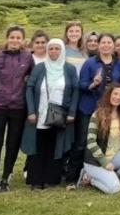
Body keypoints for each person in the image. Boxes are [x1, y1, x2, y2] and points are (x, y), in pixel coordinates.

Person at [68, 33, 120, 186]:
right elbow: (81, 85)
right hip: (89, 108)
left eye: (109, 42)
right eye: (103, 42)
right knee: (82, 143)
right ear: (98, 45)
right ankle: (72, 178)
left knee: (104, 142)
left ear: (113, 45)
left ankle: (95, 173)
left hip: (110, 112)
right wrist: (94, 84)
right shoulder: (90, 63)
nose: (106, 45)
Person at [0, 25, 35, 193]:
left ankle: (6, 178)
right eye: (12, 37)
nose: (15, 41)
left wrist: (31, 109)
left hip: (19, 108)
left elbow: (32, 81)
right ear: (7, 38)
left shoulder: (28, 58)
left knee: (12, 144)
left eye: (18, 38)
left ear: (22, 40)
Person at [22, 39, 79, 188]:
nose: (54, 51)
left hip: (59, 114)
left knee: (55, 145)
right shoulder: (40, 68)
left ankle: (51, 178)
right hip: (40, 114)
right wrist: (31, 111)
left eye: (57, 49)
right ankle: (36, 180)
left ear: (62, 51)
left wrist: (72, 112)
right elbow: (29, 88)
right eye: (51, 48)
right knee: (39, 145)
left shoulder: (69, 69)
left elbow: (75, 91)